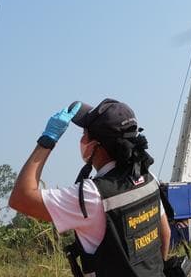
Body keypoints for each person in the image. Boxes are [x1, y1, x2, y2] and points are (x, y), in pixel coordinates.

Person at [9, 99, 170, 277]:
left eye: (84, 133)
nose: (81, 139)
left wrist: (47, 140)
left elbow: (21, 198)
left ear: (95, 147)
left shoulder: (91, 196)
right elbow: (165, 234)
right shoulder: (148, 177)